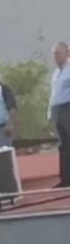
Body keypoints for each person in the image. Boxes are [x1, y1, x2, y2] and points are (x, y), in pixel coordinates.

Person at [50, 42, 70, 187]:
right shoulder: (56, 73)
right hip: (57, 109)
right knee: (63, 145)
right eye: (54, 54)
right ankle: (65, 179)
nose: (55, 56)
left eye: (58, 53)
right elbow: (53, 93)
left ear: (66, 53)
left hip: (68, 108)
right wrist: (49, 112)